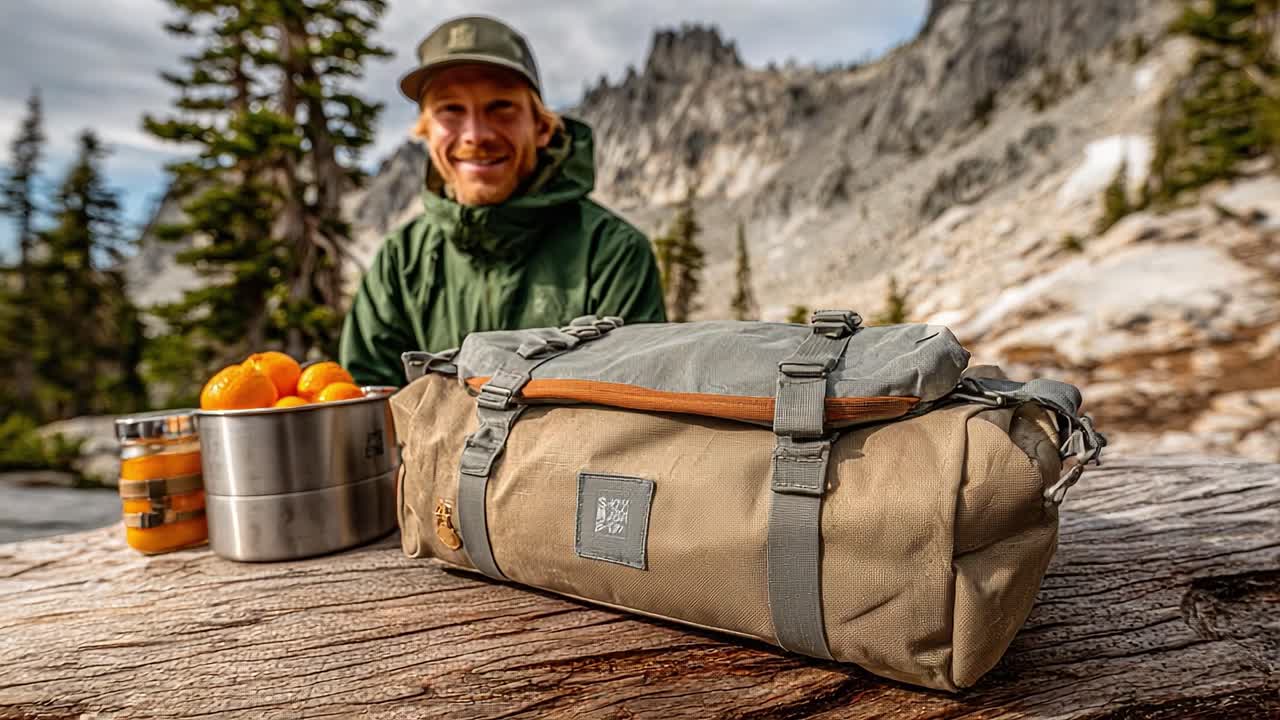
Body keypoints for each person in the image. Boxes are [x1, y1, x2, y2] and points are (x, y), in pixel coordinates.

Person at [340, 15, 667, 387]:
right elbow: (369, 409)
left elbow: (638, 413)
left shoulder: (612, 253)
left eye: (501, 107)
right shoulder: (400, 261)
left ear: (542, 128)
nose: (476, 135)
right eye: (451, 109)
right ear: (424, 132)